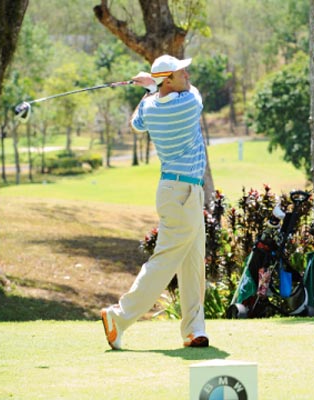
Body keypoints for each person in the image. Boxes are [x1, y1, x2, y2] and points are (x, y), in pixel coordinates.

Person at [101, 55, 209, 349]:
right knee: (165, 261)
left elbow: (136, 123)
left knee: (193, 262)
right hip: (182, 191)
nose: (187, 74)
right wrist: (151, 85)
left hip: (180, 191)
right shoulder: (188, 102)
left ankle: (193, 329)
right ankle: (120, 317)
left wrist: (150, 89)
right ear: (169, 80)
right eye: (180, 72)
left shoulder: (150, 107)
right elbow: (194, 94)